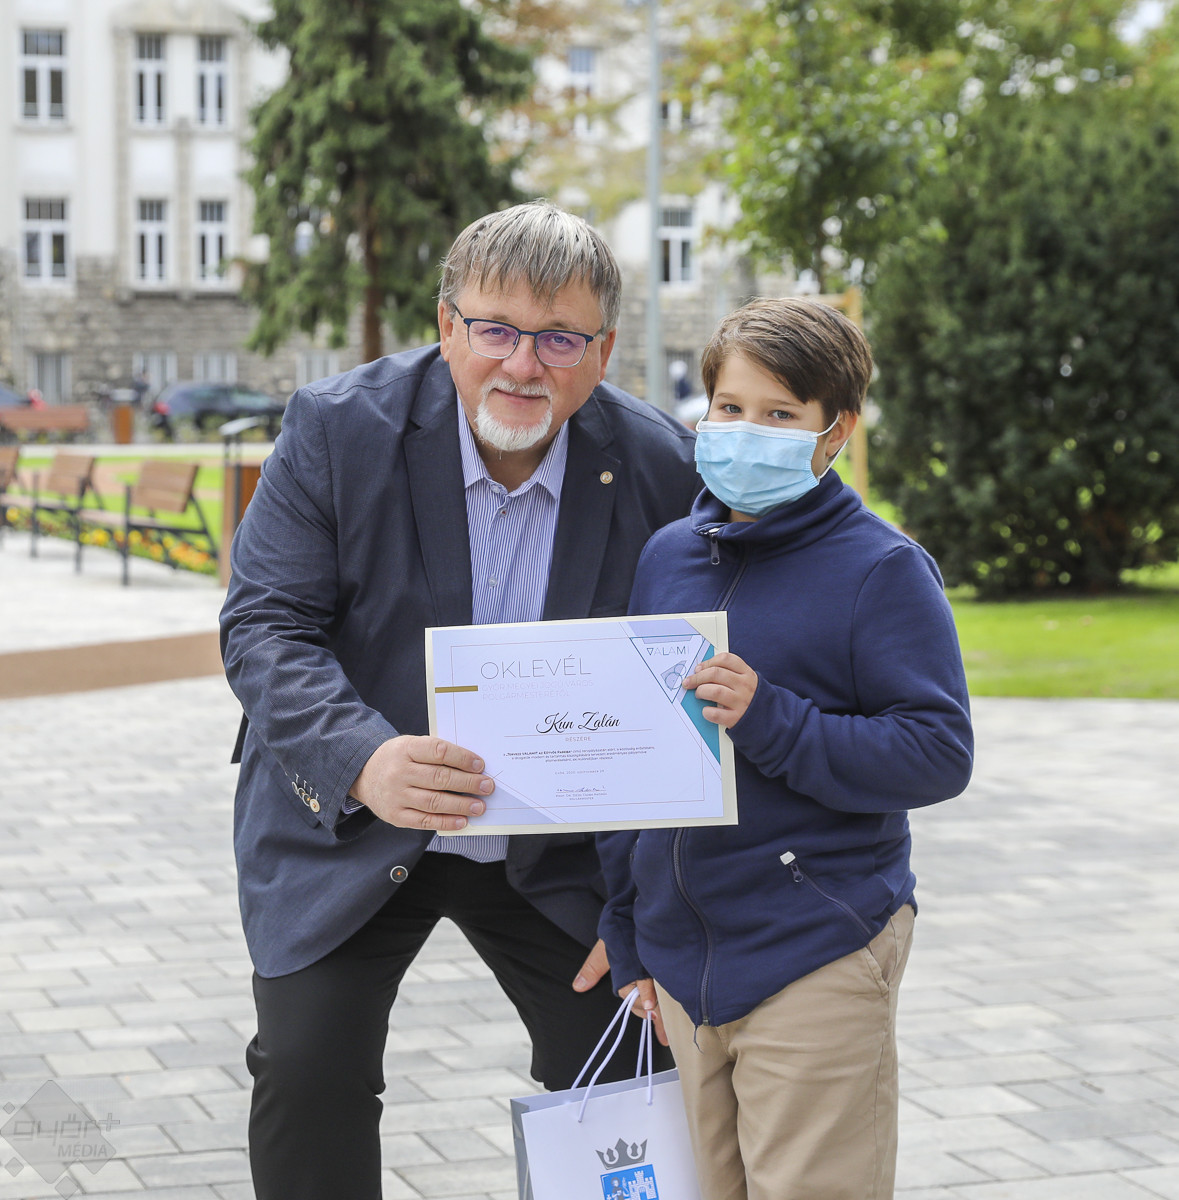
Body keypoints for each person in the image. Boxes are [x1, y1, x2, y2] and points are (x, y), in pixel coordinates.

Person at [220, 201, 698, 1200]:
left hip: (557, 848)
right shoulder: (338, 430)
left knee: (635, 1065)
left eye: (559, 338)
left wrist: (653, 903)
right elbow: (264, 627)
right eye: (495, 329)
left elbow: (687, 690)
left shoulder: (659, 465)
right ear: (447, 327)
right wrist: (363, 759)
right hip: (352, 825)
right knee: (306, 1073)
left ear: (603, 352)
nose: (523, 364)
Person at [598, 297, 974, 1200]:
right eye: (730, 407)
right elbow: (633, 758)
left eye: (779, 414)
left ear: (833, 431)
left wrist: (771, 718)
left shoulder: (881, 570)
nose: (745, 431)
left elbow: (936, 750)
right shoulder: (666, 557)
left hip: (814, 948)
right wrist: (626, 930)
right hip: (681, 963)